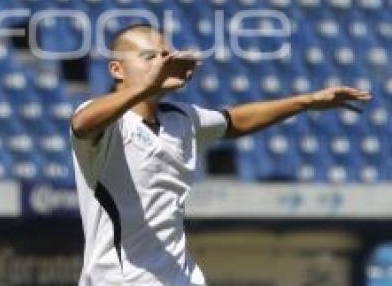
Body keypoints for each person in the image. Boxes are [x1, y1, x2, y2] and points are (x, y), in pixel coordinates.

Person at [70, 24, 371, 285]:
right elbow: (83, 123)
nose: (159, 65)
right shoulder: (105, 123)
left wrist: (306, 101)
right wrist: (147, 86)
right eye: (148, 57)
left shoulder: (181, 118)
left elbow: (234, 121)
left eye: (164, 57)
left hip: (181, 278)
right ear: (116, 69)